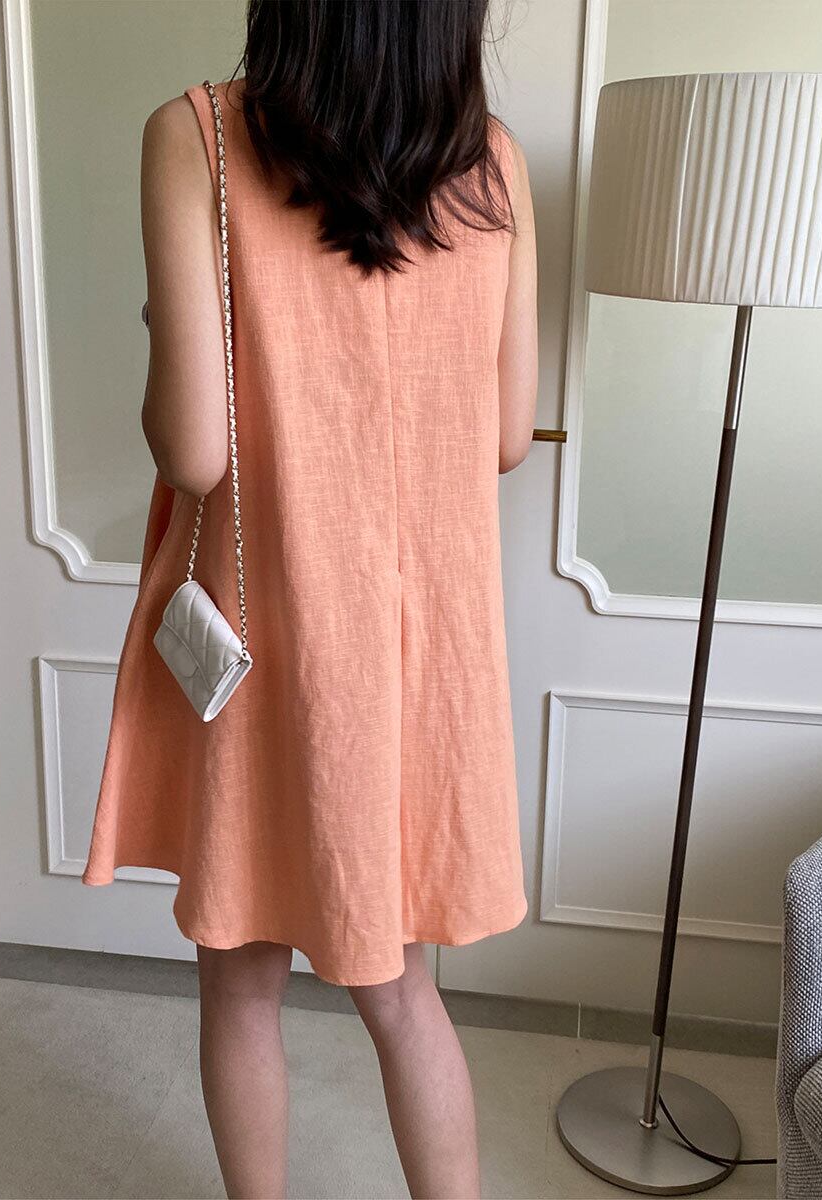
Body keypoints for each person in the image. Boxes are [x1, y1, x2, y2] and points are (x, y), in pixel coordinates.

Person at [81, 2, 537, 1196]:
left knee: (240, 981)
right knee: (403, 988)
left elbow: (192, 452)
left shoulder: (196, 136)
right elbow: (504, 435)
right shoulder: (491, 160)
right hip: (418, 650)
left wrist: (160, 335)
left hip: (267, 630)